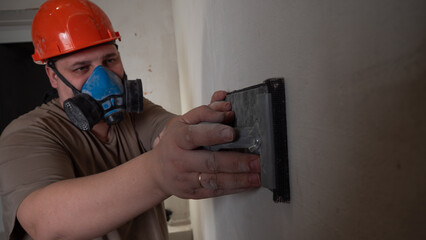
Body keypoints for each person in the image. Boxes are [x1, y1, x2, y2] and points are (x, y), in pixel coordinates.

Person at [0, 0, 261, 239]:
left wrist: (203, 132)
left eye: (109, 60)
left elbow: (170, 132)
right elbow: (46, 222)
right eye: (82, 68)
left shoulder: (135, 113)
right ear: (53, 76)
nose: (102, 78)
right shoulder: (26, 134)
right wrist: (159, 171)